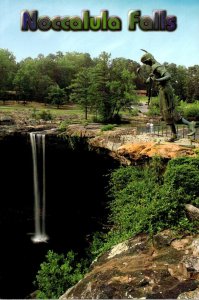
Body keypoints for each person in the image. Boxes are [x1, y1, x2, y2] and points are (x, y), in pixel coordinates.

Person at [140, 50, 196, 142]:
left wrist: (158, 80)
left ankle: (190, 124)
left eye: (146, 62)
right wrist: (140, 74)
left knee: (170, 111)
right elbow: (147, 82)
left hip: (166, 90)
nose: (146, 64)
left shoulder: (157, 66)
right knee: (165, 113)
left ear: (149, 59)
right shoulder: (153, 68)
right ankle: (174, 135)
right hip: (162, 91)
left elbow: (168, 76)